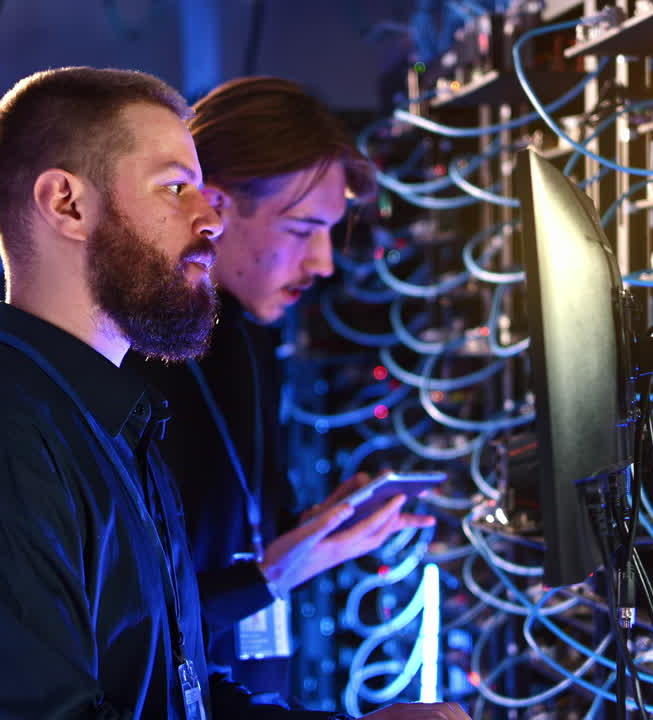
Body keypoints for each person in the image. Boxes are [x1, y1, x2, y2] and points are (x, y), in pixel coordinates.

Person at [0, 66, 466, 720]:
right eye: (177, 187)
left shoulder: (114, 427)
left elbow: (176, 697)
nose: (211, 216)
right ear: (66, 203)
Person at [135, 76, 435, 700]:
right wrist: (273, 573)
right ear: (211, 210)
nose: (323, 263)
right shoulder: (138, 358)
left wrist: (321, 528)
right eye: (302, 231)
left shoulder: (246, 338)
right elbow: (126, 633)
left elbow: (231, 535)